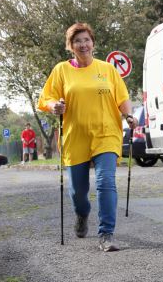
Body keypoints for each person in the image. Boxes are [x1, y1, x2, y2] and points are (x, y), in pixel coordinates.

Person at [38, 22, 135, 252]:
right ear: (70, 46)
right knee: (78, 192)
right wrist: (54, 106)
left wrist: (128, 115)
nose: (83, 45)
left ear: (93, 43)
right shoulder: (61, 70)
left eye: (86, 40)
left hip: (105, 133)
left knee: (106, 182)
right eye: (77, 41)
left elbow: (122, 97)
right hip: (76, 136)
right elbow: (46, 98)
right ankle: (82, 214)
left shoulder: (107, 69)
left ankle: (106, 234)